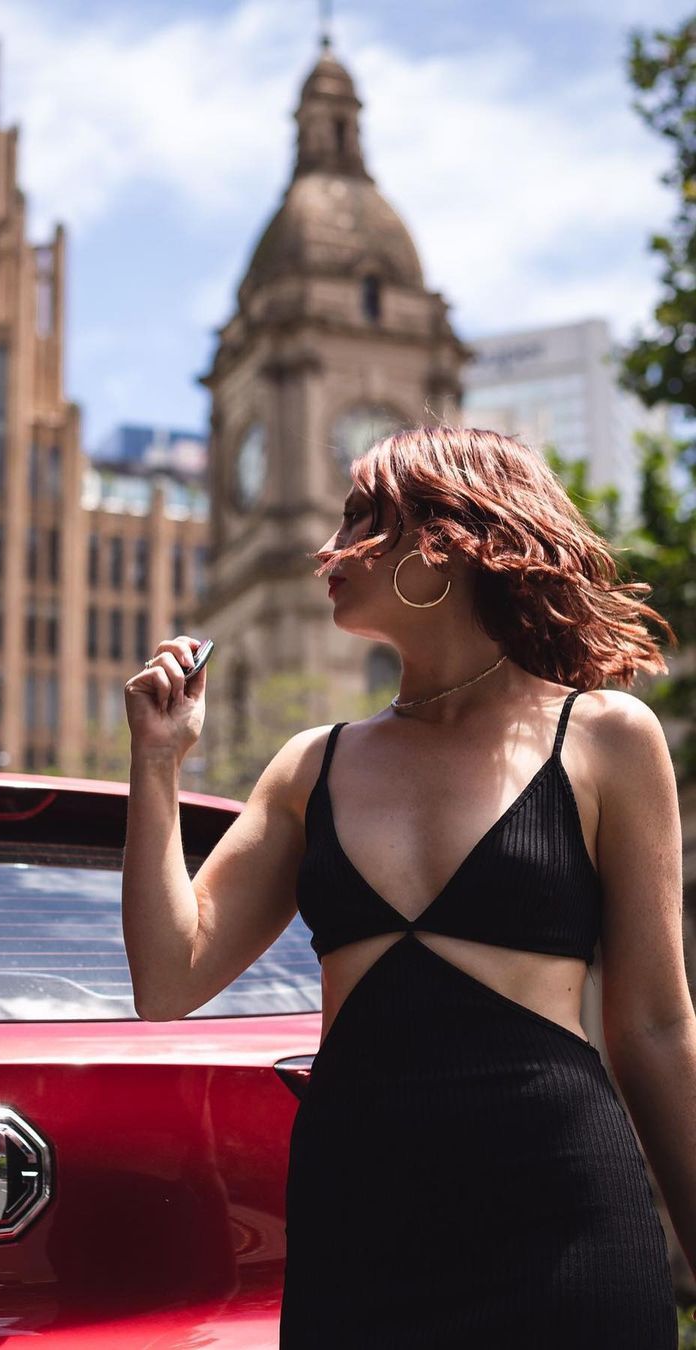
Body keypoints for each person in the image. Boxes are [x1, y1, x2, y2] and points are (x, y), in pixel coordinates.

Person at [121, 425, 696, 1347]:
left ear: (447, 539)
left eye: (360, 520)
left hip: (561, 1211)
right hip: (360, 1224)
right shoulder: (310, 765)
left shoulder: (604, 737)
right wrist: (157, 763)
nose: (327, 548)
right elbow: (166, 978)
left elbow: (656, 1028)